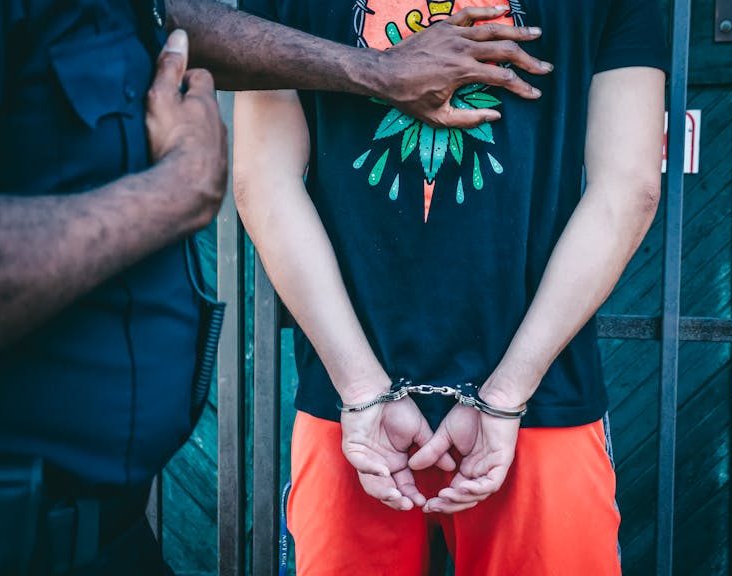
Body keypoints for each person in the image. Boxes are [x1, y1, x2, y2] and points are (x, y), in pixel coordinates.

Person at [0, 1, 552, 575]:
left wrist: (377, 71)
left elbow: (157, 19)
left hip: (104, 526)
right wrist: (180, 189)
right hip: (18, 525)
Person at [234, 0, 669, 574]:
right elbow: (628, 188)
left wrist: (361, 387)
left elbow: (262, 180)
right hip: (537, 402)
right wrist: (508, 391)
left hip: (355, 414)